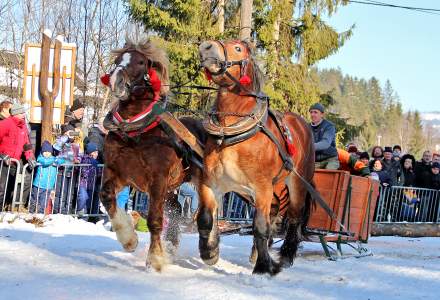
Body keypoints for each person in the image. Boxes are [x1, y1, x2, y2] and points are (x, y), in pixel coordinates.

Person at [0, 103, 36, 210]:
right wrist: (2, 155)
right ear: (15, 114)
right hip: (4, 161)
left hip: (16, 161)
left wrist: (30, 156)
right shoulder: (5, 124)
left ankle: (11, 207)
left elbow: (26, 143)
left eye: (24, 112)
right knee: (1, 188)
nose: (24, 114)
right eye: (21, 113)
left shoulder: (23, 126)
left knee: (16, 184)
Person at [29, 141, 65, 214]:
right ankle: (30, 212)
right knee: (34, 199)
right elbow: (45, 162)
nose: (46, 153)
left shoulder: (53, 158)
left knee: (43, 202)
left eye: (48, 152)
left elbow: (62, 160)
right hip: (38, 184)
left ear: (51, 152)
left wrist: (56, 160)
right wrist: (54, 161)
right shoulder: (40, 158)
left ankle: (40, 214)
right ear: (42, 152)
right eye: (44, 151)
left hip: (48, 186)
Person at [309, 103, 339, 170]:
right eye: (311, 112)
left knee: (328, 174)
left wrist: (309, 147)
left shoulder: (329, 126)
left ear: (322, 114)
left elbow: (325, 143)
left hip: (330, 159)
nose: (312, 115)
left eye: (315, 112)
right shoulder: (307, 127)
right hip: (314, 161)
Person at [77, 142, 101, 217]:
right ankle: (79, 211)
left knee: (88, 202)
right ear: (90, 153)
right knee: (83, 197)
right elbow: (84, 171)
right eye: (95, 152)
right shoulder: (85, 159)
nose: (97, 154)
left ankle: (84, 218)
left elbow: (99, 174)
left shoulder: (96, 163)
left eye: (97, 152)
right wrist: (92, 162)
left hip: (91, 185)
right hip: (83, 184)